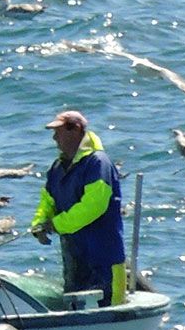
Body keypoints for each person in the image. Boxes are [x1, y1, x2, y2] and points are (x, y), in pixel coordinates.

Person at [29, 110, 125, 307]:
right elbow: (47, 200)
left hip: (104, 260)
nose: (54, 138)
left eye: (58, 131)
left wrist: (57, 224)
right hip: (75, 260)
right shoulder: (57, 167)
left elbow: (94, 206)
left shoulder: (98, 163)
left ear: (76, 131)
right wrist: (38, 223)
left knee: (106, 310)